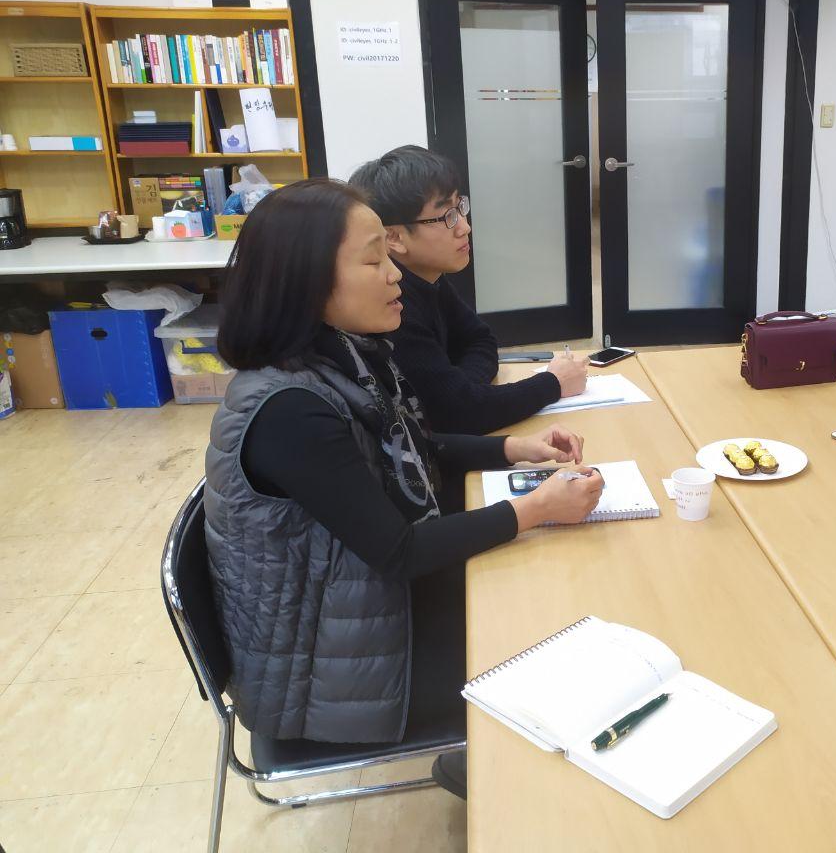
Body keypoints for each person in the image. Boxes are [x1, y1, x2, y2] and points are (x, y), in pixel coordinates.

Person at [204, 178, 604, 750]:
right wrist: (536, 509)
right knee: (556, 645)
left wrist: (514, 449)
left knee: (556, 590)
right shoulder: (289, 409)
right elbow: (400, 552)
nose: (395, 275)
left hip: (362, 624)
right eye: (374, 261)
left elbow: (407, 448)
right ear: (306, 283)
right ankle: (486, 773)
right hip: (331, 681)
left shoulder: (343, 357)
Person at [349, 146, 588, 436]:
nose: (464, 227)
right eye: (446, 217)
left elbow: (481, 340)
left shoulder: (429, 277)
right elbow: (459, 416)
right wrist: (553, 383)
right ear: (394, 237)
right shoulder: (391, 305)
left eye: (460, 207)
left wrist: (463, 390)